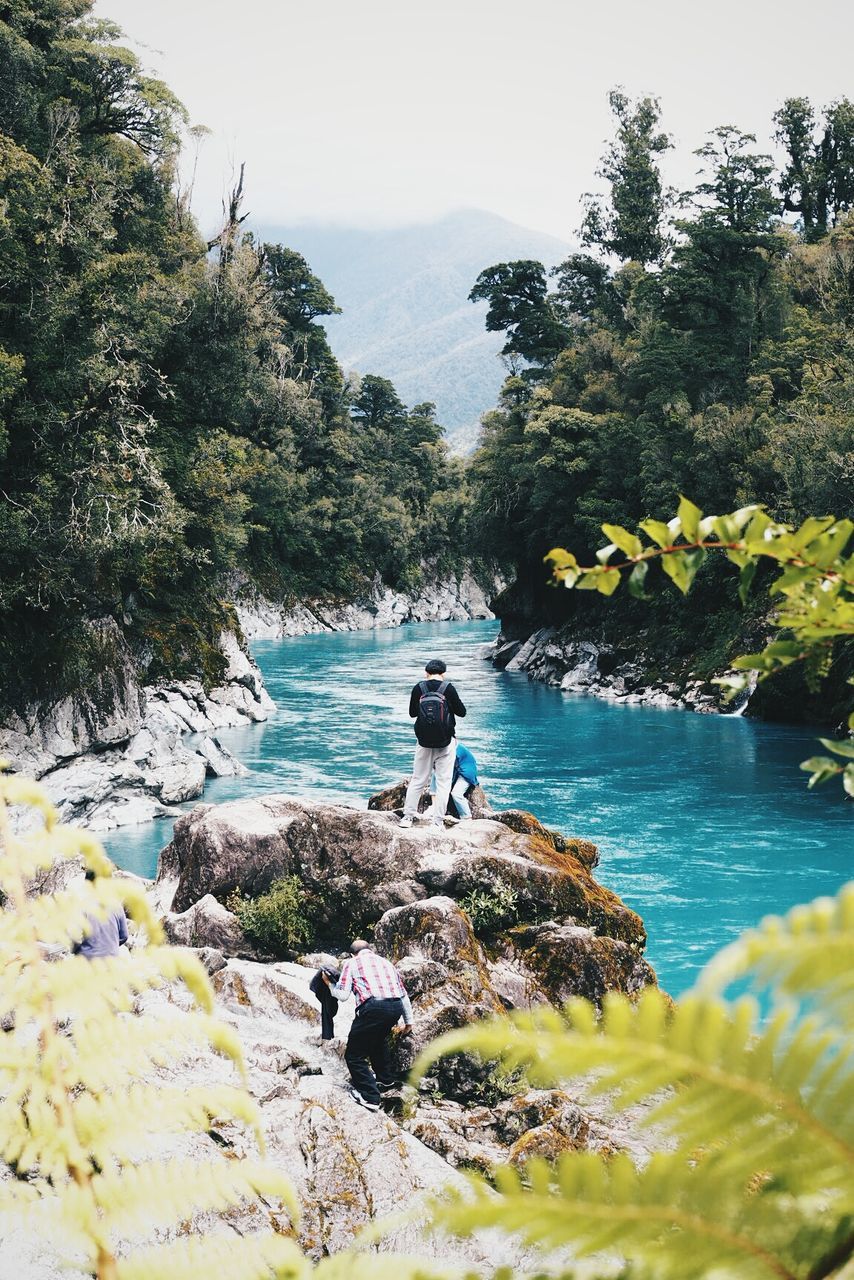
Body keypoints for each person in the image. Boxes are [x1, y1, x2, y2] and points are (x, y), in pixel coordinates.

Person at [323, 939, 413, 1111]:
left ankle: (369, 1096)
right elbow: (403, 995)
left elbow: (342, 995)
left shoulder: (352, 963)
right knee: (378, 1041)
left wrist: (329, 985)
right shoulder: (386, 962)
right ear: (370, 950)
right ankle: (386, 1080)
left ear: (352, 954)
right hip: (395, 1008)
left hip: (373, 1007)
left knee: (354, 1055)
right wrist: (409, 1022)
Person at [399, 658, 466, 828]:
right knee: (444, 783)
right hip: (446, 742)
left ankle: (407, 817)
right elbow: (462, 712)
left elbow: (412, 714)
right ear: (443, 673)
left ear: (426, 672)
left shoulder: (419, 688)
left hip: (423, 742)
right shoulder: (448, 688)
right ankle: (437, 822)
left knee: (418, 779)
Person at [72, 870, 129, 960]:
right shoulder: (116, 905)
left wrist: (77, 951)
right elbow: (124, 936)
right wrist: (109, 946)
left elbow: (74, 936)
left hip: (89, 961)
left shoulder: (84, 905)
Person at [451, 741, 478, 821]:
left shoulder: (456, 750)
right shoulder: (458, 746)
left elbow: (450, 768)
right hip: (463, 772)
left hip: (466, 775)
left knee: (456, 793)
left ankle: (466, 816)